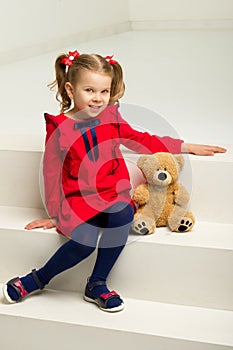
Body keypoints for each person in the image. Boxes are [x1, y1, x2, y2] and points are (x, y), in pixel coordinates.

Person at [2, 51, 226, 312]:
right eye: (89, 90)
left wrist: (184, 145)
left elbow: (142, 139)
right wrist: (55, 214)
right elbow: (51, 174)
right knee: (83, 242)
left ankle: (97, 284)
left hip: (111, 195)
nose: (98, 98)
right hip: (79, 201)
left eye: (104, 91)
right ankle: (37, 279)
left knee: (122, 214)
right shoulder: (59, 126)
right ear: (70, 89)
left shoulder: (111, 118)